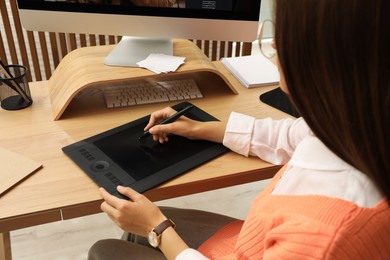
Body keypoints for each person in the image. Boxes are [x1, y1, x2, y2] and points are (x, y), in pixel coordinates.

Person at [88, 0, 390, 259]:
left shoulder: (323, 240)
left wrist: (158, 229)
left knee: (105, 250)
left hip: (258, 247)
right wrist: (201, 128)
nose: (273, 44)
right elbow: (291, 136)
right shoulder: (359, 126)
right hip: (255, 239)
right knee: (136, 230)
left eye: (284, 33)